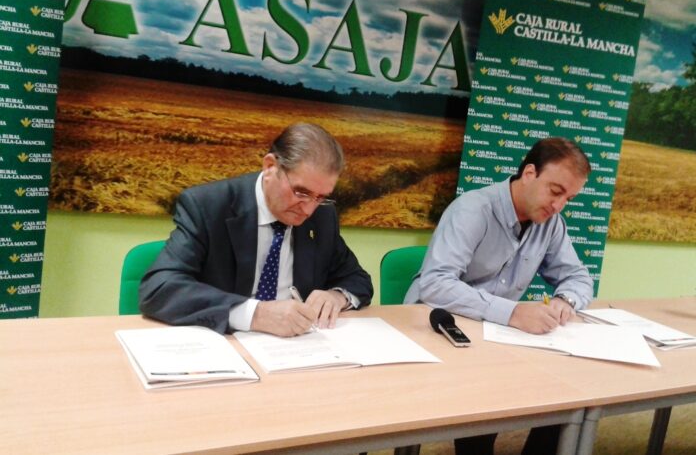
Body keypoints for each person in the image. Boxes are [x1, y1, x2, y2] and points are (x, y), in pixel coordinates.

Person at [404, 137, 594, 455]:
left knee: (564, 392)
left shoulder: (551, 224)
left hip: (495, 332)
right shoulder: (473, 209)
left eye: (568, 199)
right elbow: (436, 284)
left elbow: (578, 277)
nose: (558, 206)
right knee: (484, 395)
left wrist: (566, 300)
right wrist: (513, 312)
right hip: (439, 328)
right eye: (555, 191)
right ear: (529, 174)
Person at [140, 123, 373, 336]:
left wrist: (336, 296)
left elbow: (358, 279)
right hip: (226, 343)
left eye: (321, 197)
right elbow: (159, 288)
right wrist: (256, 314)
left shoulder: (323, 216)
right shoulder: (208, 206)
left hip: (299, 348)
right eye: (301, 192)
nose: (309, 209)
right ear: (270, 166)